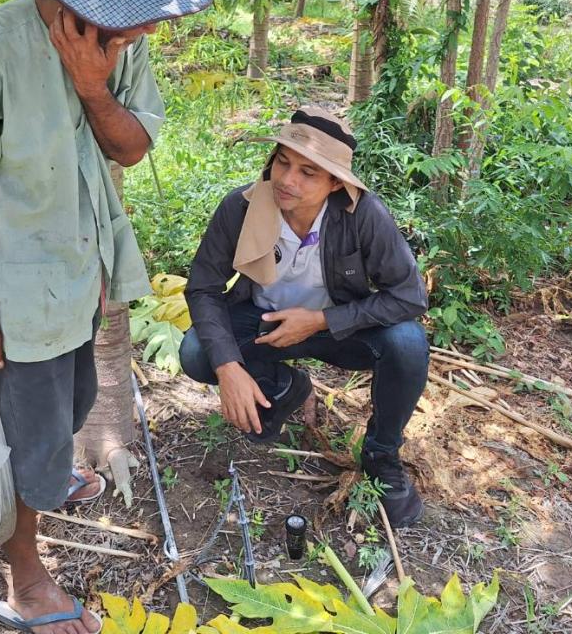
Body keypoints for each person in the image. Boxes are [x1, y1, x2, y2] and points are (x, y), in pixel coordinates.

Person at [0, 0, 211, 634]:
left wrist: (92, 85)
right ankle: (25, 581)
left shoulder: (120, 45)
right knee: (27, 438)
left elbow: (130, 146)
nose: (147, 32)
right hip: (15, 293)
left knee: (67, 410)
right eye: (136, 17)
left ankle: (49, 478)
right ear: (79, 0)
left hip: (82, 275)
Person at [181, 106, 430, 526]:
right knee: (197, 353)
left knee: (407, 343)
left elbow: (409, 297)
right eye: (282, 162)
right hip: (265, 324)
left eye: (308, 172)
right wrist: (228, 368)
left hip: (338, 330)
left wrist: (320, 321)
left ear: (335, 182)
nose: (287, 180)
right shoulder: (241, 209)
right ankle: (283, 389)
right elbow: (204, 287)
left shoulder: (364, 215)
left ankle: (381, 456)